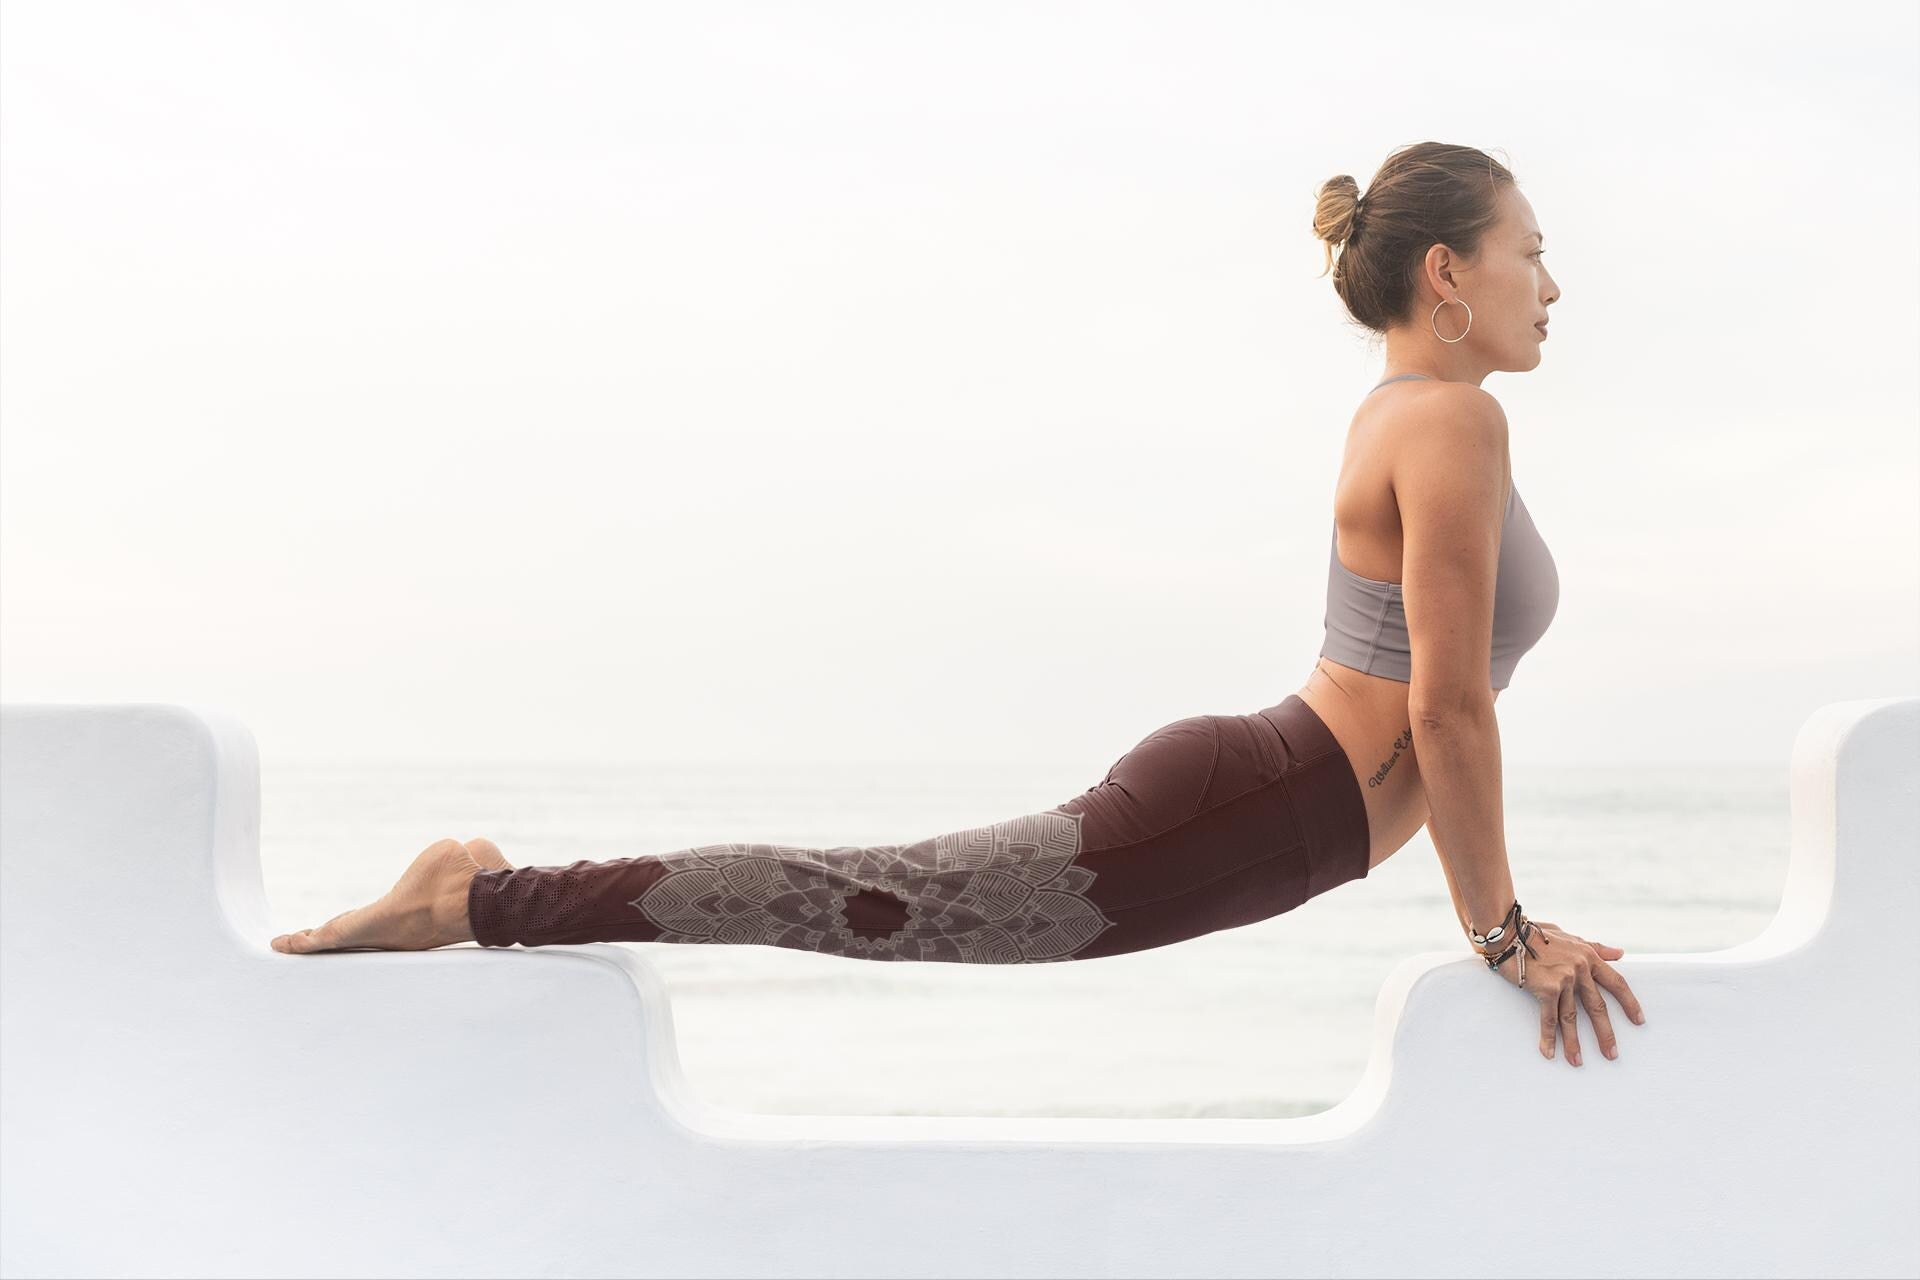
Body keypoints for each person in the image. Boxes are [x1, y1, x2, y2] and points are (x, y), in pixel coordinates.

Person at [271, 140, 1646, 1067]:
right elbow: (1451, 711)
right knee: (852, 897)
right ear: (1446, 273)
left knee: (859, 897)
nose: (1555, 280)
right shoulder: (1448, 426)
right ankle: (475, 899)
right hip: (1247, 808)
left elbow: (1445, 703)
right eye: (1532, 249)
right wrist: (1504, 937)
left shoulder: (1416, 414)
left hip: (1260, 814)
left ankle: (487, 894)